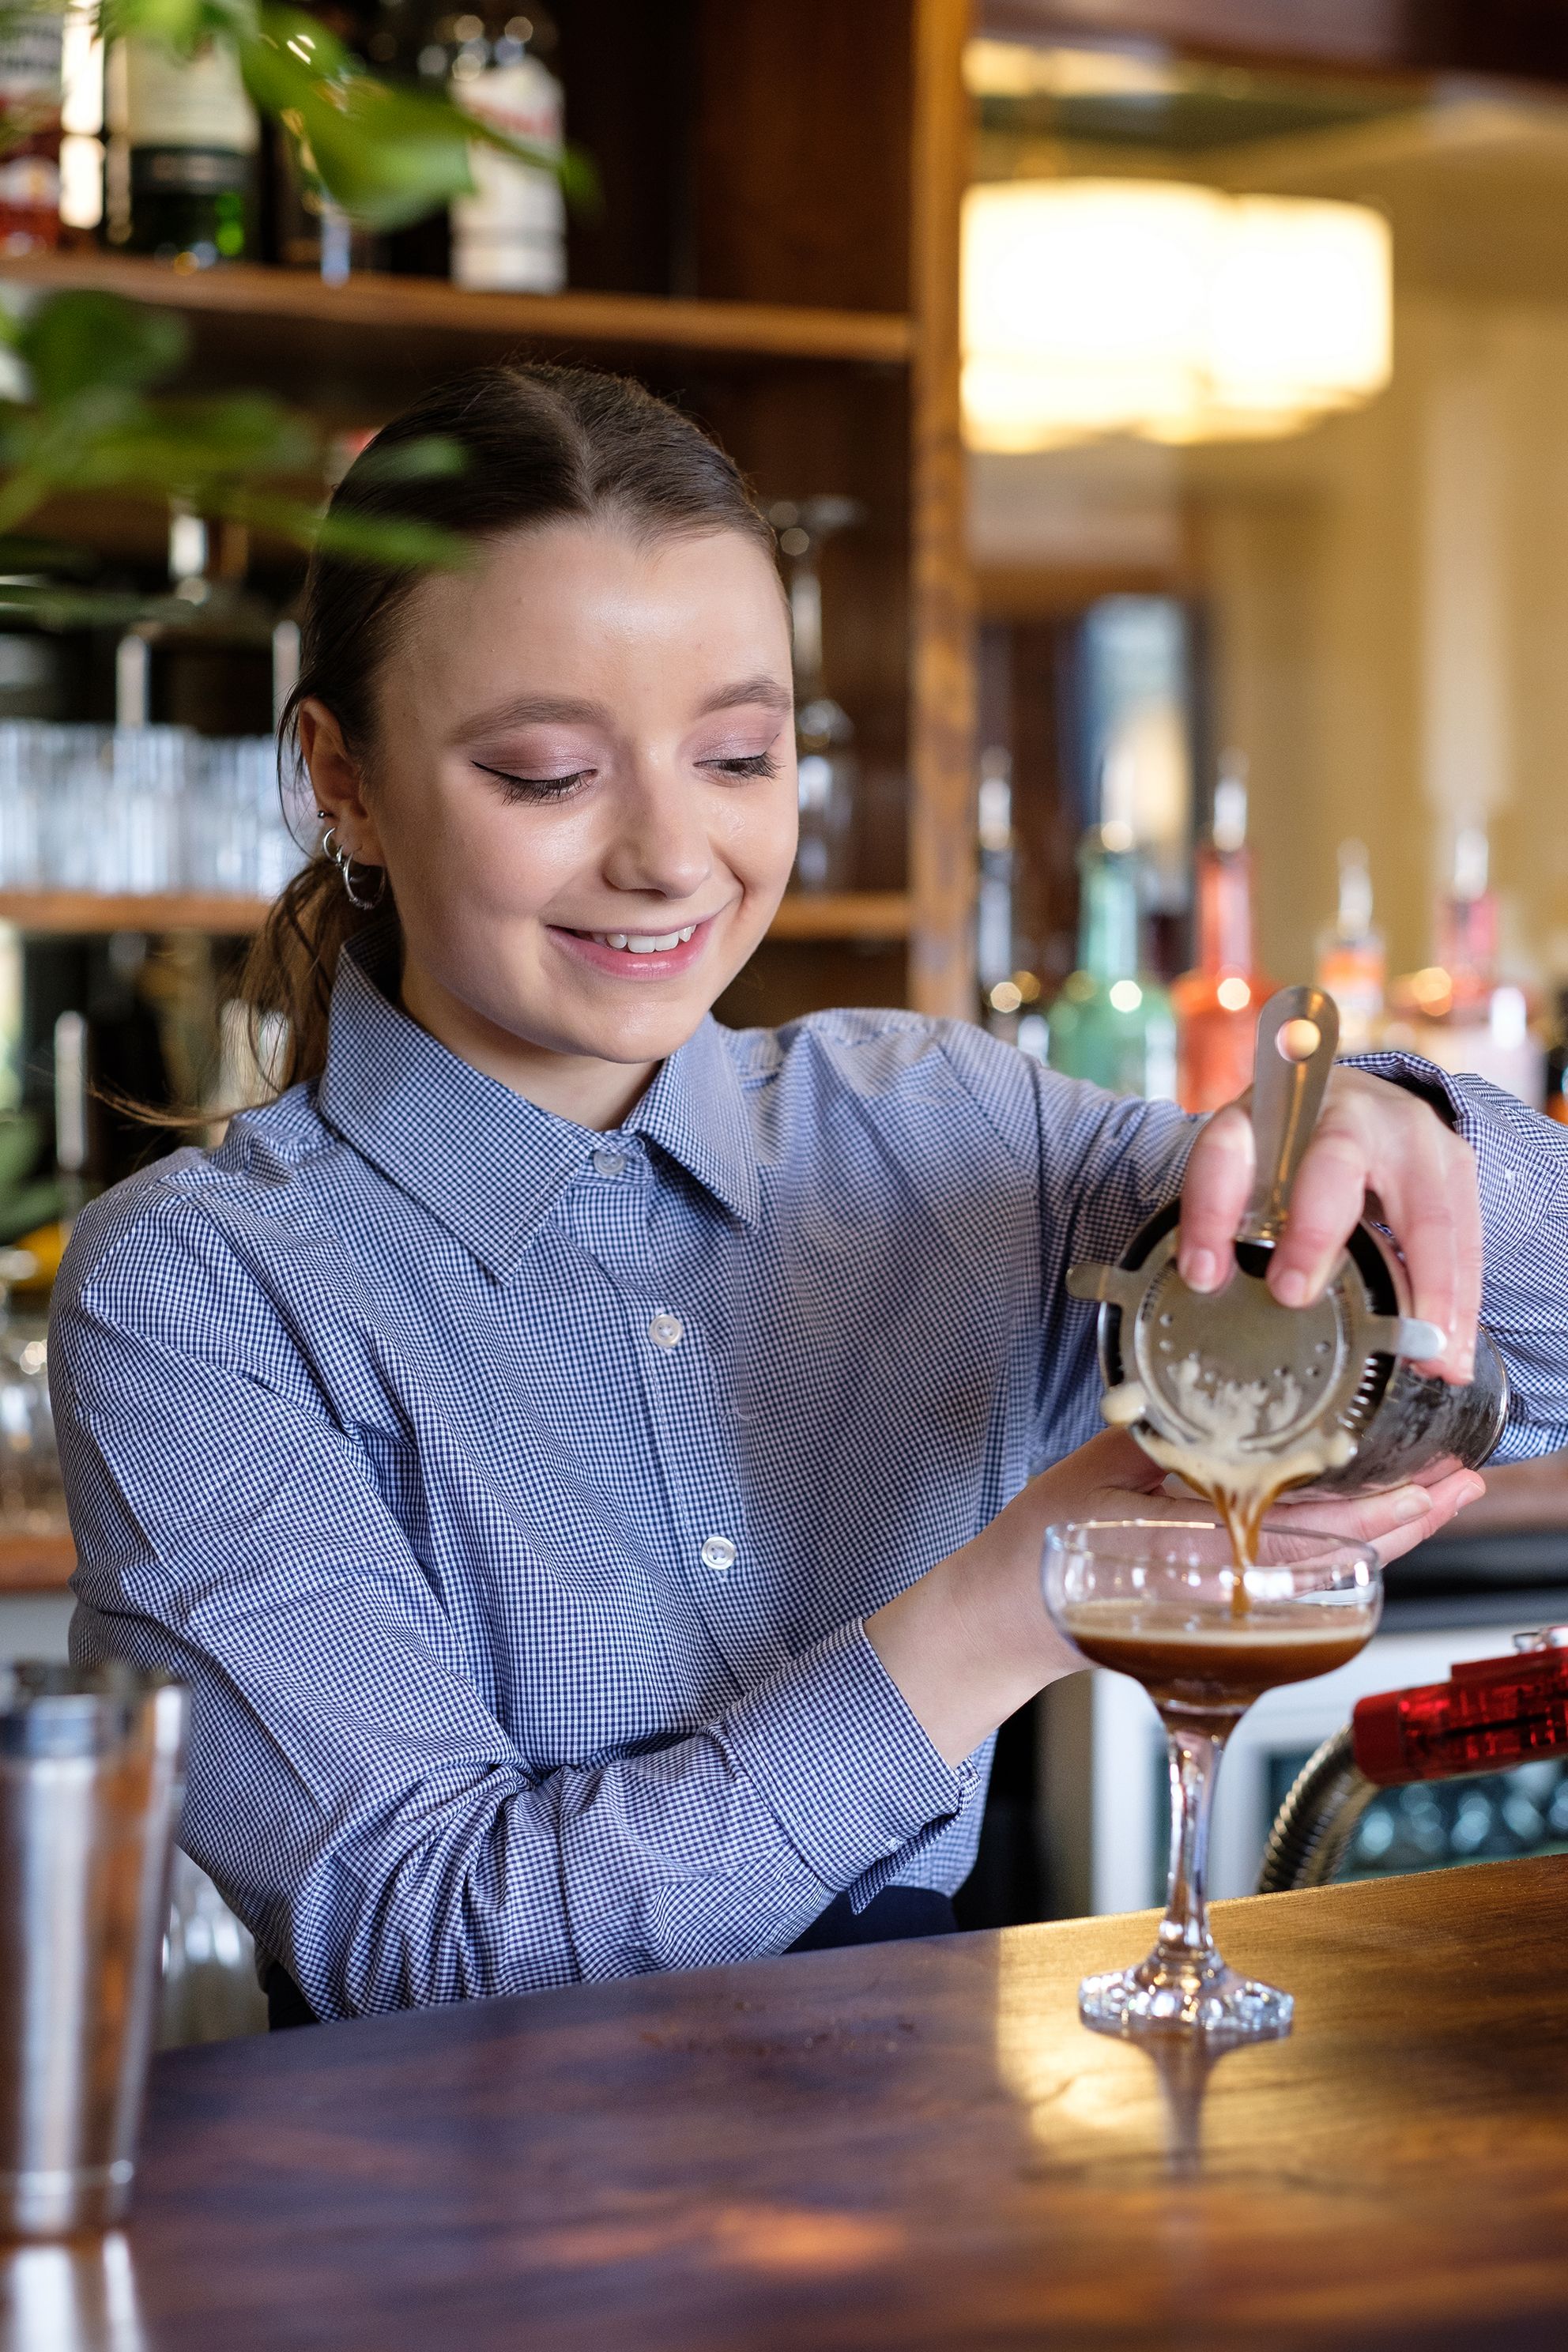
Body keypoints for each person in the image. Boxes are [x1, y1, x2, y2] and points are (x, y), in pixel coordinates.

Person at [51, 364, 1568, 2026]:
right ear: (342, 777)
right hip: (462, 2238)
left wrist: (1398, 1138)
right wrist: (1010, 1603)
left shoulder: (934, 1132)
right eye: (549, 774)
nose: (669, 856)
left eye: (738, 756)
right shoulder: (200, 1294)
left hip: (933, 2182)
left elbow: (1521, 1350)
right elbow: (429, 1941)